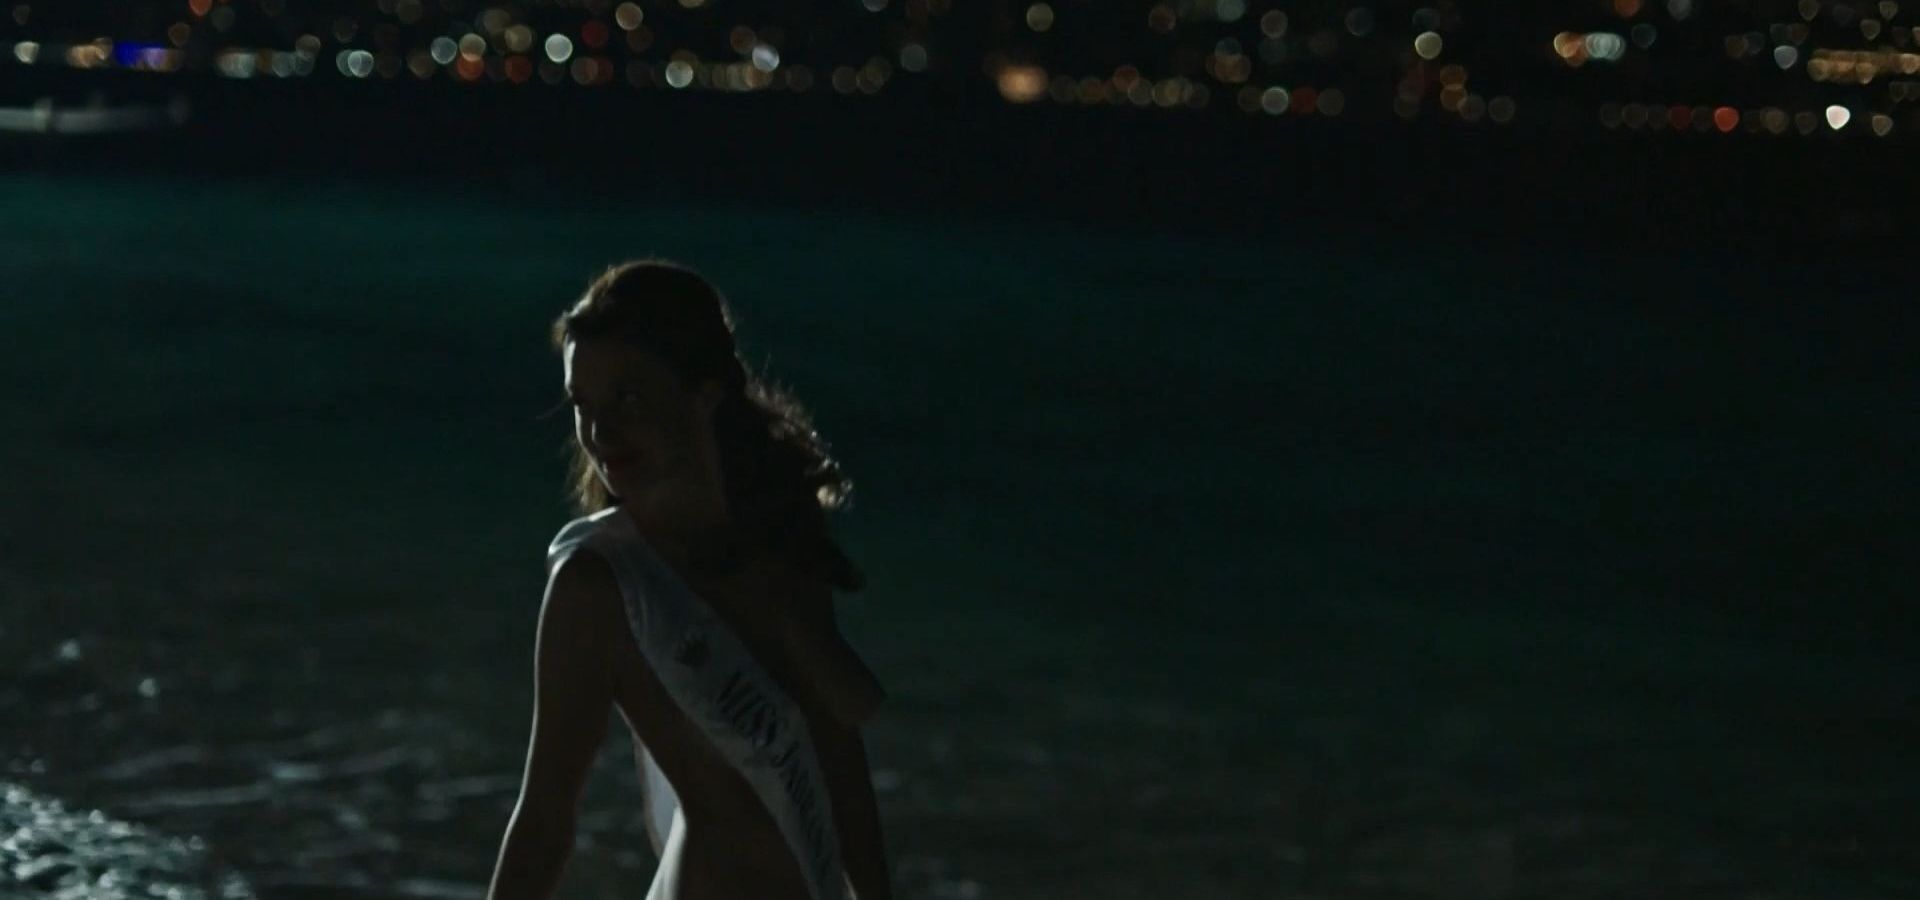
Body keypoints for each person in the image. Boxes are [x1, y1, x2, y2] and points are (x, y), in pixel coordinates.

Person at [487, 260, 892, 900]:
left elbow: (841, 761)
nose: (600, 432)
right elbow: (544, 819)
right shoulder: (599, 583)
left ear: (703, 391)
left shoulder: (777, 535)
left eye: (628, 397)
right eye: (582, 405)